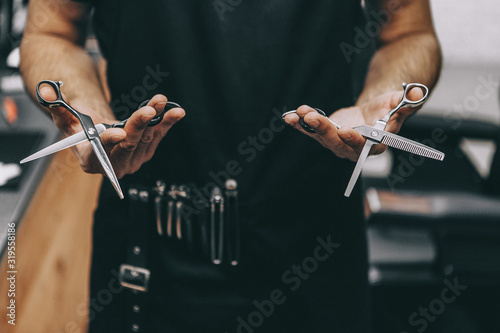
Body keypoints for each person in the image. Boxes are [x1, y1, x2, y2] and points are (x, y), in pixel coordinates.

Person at [20, 0, 441, 332]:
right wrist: (83, 114)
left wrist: (385, 101)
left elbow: (408, 31)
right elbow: (53, 31)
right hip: (150, 250)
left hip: (315, 248)